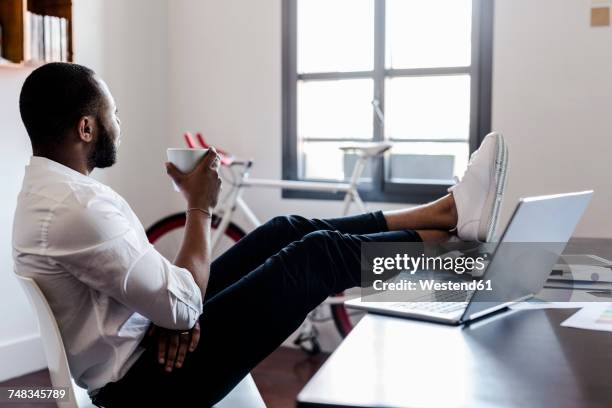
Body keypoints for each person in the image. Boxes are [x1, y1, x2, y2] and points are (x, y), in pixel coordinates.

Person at [12, 62, 508, 407]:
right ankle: (460, 251)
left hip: (145, 352)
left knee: (283, 230)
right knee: (314, 257)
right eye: (111, 114)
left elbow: (168, 299)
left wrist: (175, 314)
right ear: (86, 128)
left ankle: (446, 213)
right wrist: (199, 206)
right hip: (147, 390)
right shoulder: (75, 208)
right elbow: (182, 304)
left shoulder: (55, 192)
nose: (118, 124)